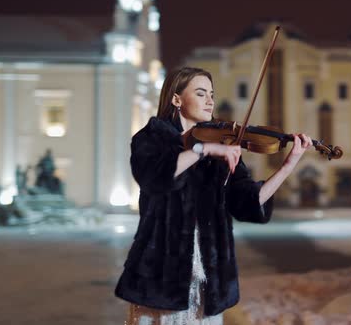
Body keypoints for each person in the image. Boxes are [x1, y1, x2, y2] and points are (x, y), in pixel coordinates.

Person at [115, 67, 313, 324]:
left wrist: (288, 166)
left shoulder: (224, 144)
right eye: (200, 93)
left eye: (211, 94)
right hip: (159, 279)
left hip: (210, 281)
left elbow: (248, 202)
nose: (210, 101)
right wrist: (204, 150)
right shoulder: (151, 139)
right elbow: (155, 178)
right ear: (176, 99)